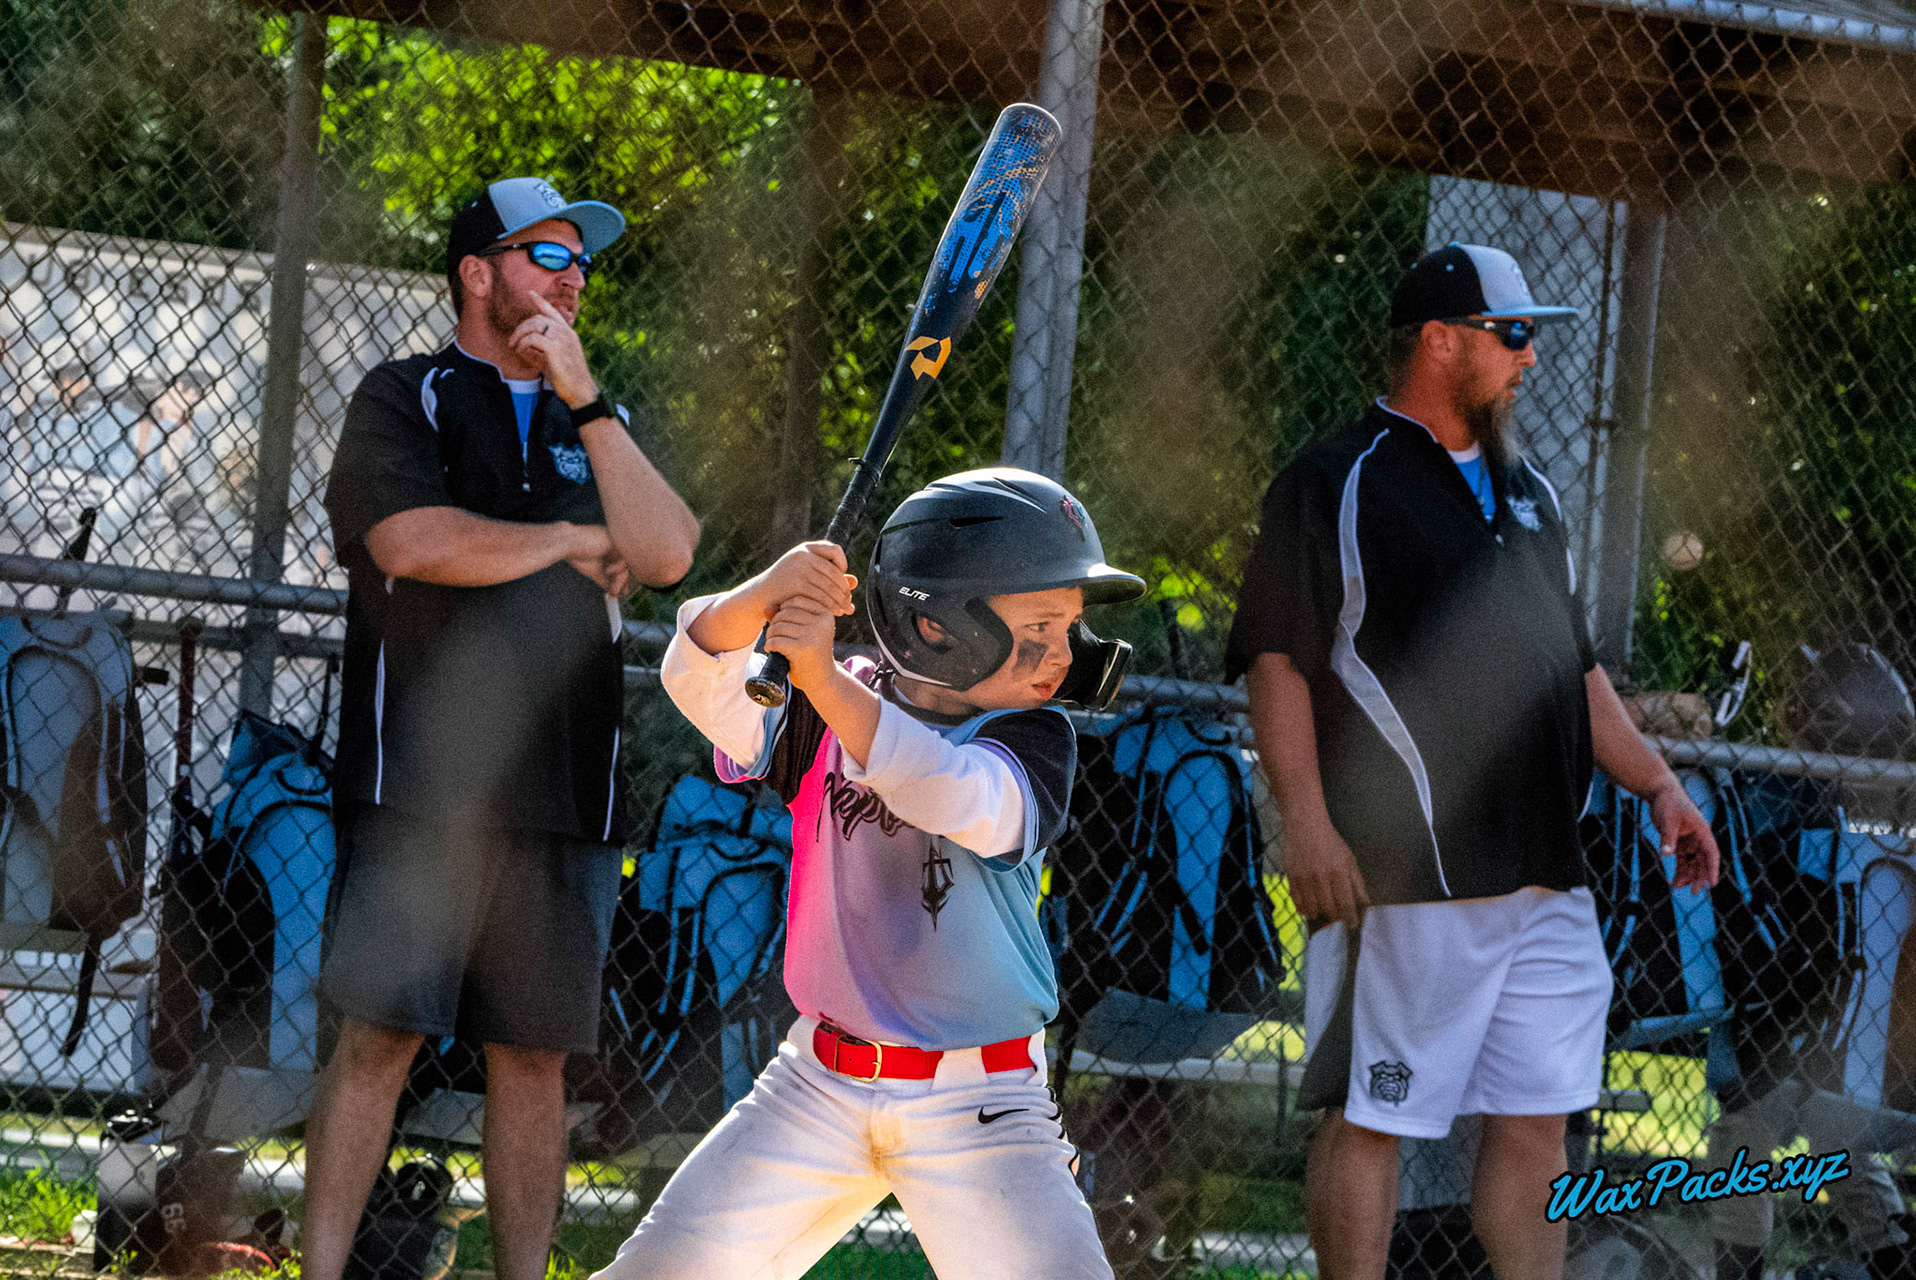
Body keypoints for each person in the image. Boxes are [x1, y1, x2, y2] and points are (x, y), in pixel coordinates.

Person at [1226, 242, 1722, 1280]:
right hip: (1410, 868)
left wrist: (1662, 785)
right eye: (1514, 335)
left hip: (1547, 872)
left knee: (1538, 1127)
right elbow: (1277, 660)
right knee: (1375, 1114)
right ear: (1441, 341)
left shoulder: (1528, 490)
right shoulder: (1335, 479)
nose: (1529, 359)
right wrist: (1308, 822)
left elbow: (1577, 676)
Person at [595, 468, 1141, 1280]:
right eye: (1039, 625)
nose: (1063, 654)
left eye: (1068, 626)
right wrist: (770, 592)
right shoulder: (828, 703)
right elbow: (696, 673)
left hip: (983, 1103)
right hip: (817, 1086)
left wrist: (817, 677)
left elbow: (957, 795)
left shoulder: (1031, 734)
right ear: (937, 624)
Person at [307, 177, 700, 1280]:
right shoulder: (407, 395)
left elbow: (668, 551)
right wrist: (568, 544)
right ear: (477, 273)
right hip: (422, 784)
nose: (573, 278)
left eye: (581, 261)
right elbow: (411, 541)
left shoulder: (596, 414)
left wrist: (586, 399)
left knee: (536, 1058)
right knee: (380, 1035)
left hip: (565, 785)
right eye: (545, 255)